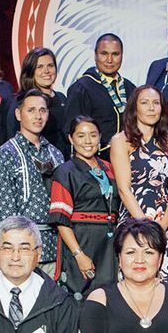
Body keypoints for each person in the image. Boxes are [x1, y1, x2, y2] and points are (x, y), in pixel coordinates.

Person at [0, 89, 65, 275]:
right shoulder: (7, 153)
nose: (38, 116)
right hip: (21, 252)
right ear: (18, 114)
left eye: (42, 110)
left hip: (53, 249)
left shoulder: (56, 154)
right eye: (31, 110)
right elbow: (2, 209)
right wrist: (11, 250)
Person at [50, 116, 120, 299]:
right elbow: (61, 220)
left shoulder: (109, 168)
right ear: (71, 139)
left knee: (109, 297)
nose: (88, 141)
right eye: (81, 136)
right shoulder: (65, 172)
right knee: (82, 296)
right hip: (82, 240)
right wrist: (78, 254)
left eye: (93, 135)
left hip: (109, 243)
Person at [111, 85, 168, 277]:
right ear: (134, 108)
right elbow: (124, 190)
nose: (151, 108)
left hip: (166, 220)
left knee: (163, 281)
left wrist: (161, 226)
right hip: (133, 218)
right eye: (145, 103)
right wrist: (145, 228)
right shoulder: (121, 140)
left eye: (156, 103)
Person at [64, 34, 137, 155]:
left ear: (122, 56)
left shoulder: (130, 88)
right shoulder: (82, 88)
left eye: (115, 54)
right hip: (97, 162)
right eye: (104, 54)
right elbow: (70, 130)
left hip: (129, 159)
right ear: (95, 55)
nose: (109, 60)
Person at [16, 47, 68, 150]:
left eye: (50, 65)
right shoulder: (22, 101)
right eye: (39, 67)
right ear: (30, 71)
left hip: (66, 161)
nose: (46, 71)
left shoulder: (62, 98)